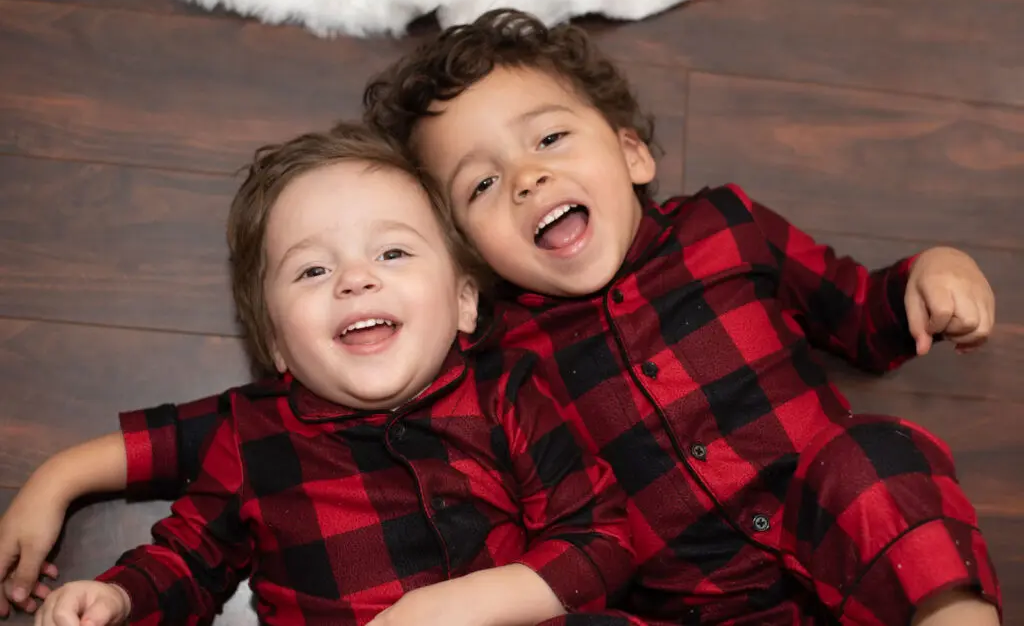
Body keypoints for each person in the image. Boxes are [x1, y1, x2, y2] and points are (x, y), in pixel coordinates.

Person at [2, 9, 1002, 625]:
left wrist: (931, 274)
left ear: (632, 152)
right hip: (686, 607)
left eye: (551, 140)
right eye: (482, 185)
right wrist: (59, 481)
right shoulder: (496, 355)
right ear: (470, 265)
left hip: (848, 541)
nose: (525, 177)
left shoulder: (726, 228)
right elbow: (216, 443)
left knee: (875, 454)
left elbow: (863, 316)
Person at [16, 122, 633, 626]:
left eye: (393, 252)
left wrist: (463, 607)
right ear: (276, 344)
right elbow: (187, 561)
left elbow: (599, 540)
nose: (355, 279)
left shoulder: (507, 393)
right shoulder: (251, 436)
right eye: (312, 271)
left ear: (464, 302)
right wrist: (119, 597)